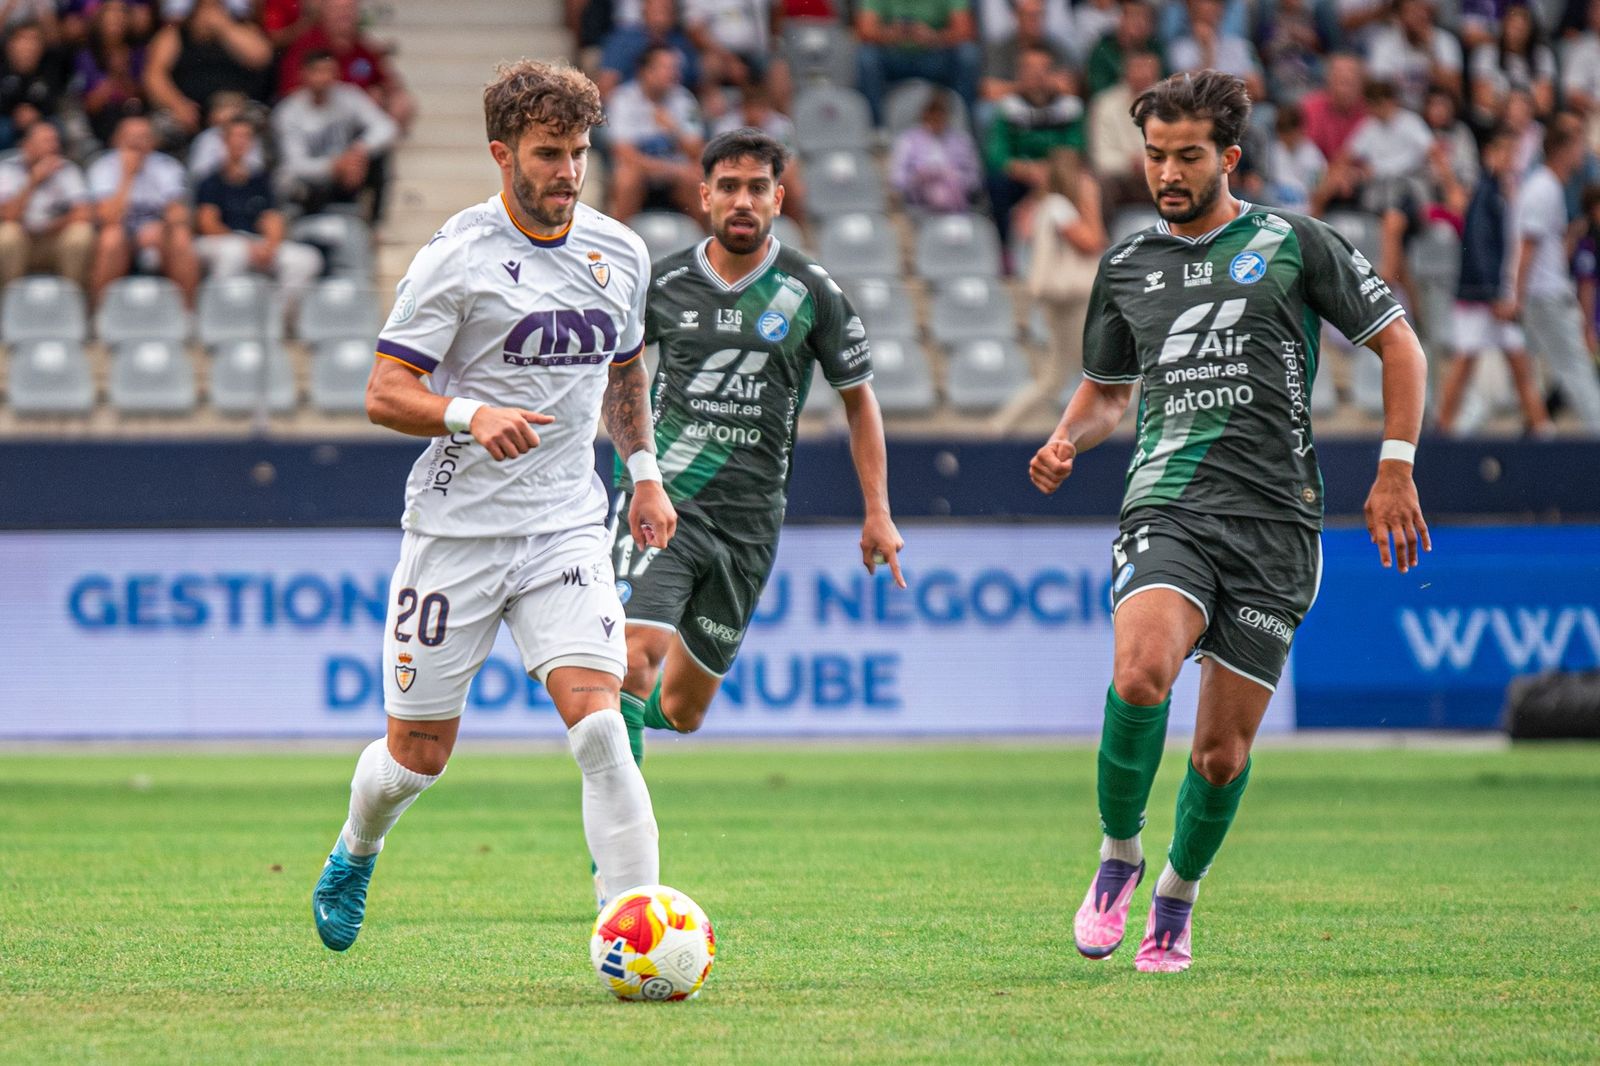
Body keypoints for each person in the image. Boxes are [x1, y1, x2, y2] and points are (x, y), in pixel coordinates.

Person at [1029, 70, 1429, 973]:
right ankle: (1119, 857)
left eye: (1187, 156)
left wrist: (1395, 467)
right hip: (1168, 501)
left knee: (1218, 754)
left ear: (1229, 158)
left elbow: (1398, 342)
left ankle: (1178, 895)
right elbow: (1106, 392)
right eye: (1155, 155)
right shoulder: (1127, 264)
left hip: (1277, 525)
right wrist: (1066, 438)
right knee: (1140, 674)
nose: (1167, 173)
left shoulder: (1293, 242)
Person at [311, 60, 678, 953]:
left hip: (563, 524)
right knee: (415, 759)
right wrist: (472, 415)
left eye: (579, 153)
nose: (567, 172)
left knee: (600, 723)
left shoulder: (619, 252)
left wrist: (644, 467)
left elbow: (624, 367)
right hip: (456, 534)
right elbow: (384, 393)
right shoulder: (456, 259)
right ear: (501, 153)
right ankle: (357, 846)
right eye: (548, 153)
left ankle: (634, 928)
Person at [600, 127, 905, 900]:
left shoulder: (812, 293)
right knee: (632, 657)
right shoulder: (661, 284)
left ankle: (612, 735)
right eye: (727, 185)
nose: (742, 200)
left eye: (757, 187)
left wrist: (878, 512)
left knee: (684, 708)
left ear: (778, 197)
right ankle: (622, 855)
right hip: (664, 502)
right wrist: (637, 474)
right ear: (703, 195)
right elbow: (622, 381)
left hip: (750, 524)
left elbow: (860, 402)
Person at [1436, 125, 1550, 436]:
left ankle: (1540, 428)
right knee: (1466, 362)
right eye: (1504, 153)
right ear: (1489, 155)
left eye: (1513, 154)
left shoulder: (1501, 192)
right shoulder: (1487, 195)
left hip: (1493, 295)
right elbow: (1480, 247)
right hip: (1483, 297)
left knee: (1517, 363)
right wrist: (1494, 295)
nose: (1510, 160)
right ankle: (1442, 429)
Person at [992, 147, 1104, 431]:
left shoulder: (1048, 205)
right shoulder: (1058, 206)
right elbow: (1092, 241)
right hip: (1070, 301)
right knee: (1100, 370)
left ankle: (1000, 427)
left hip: (1064, 301)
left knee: (1056, 377)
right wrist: (1092, 200)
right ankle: (1000, 429)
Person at [1510, 122, 1600, 432]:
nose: (1582, 154)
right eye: (1577, 147)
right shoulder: (1544, 188)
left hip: (1544, 291)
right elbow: (1527, 247)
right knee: (1576, 369)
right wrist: (1516, 297)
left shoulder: (1546, 186)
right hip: (1545, 295)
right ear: (1562, 150)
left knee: (1541, 369)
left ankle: (1535, 430)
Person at [194, 116, 323, 309]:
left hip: (256, 242)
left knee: (306, 259)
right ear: (224, 140)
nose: (241, 141)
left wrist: (269, 246)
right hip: (223, 242)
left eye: (246, 136)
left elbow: (272, 219)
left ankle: (277, 320)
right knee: (233, 252)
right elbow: (207, 223)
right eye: (236, 136)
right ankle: (223, 315)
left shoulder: (261, 181)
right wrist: (245, 243)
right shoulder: (211, 181)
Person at [272, 48, 398, 221]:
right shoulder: (289, 112)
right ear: (304, 74)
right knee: (292, 181)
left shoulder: (349, 96)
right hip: (307, 180)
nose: (324, 78)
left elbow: (386, 127)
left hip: (345, 169)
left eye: (329, 71)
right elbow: (294, 164)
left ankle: (374, 222)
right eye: (318, 72)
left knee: (378, 158)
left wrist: (358, 150)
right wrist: (334, 167)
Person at [87, 114, 200, 302]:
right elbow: (108, 218)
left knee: (180, 237)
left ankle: (188, 316)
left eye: (144, 137)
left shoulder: (167, 166)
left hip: (157, 235)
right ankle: (98, 315)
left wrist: (165, 225)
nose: (138, 144)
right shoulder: (103, 167)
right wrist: (128, 176)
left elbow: (180, 213)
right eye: (131, 138)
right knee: (111, 238)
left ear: (153, 141)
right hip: (122, 237)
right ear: (117, 140)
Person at [277, 0, 417, 132]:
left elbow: (388, 81)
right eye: (337, 9)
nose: (344, 15)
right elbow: (291, 93)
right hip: (318, 121)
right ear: (324, 12)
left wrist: (385, 92)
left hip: (355, 125)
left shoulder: (362, 46)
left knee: (397, 101)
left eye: (349, 9)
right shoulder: (306, 45)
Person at [142, 0, 272, 141]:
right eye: (203, 8)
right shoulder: (173, 34)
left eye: (215, 7)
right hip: (186, 112)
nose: (208, 14)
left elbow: (261, 56)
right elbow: (153, 76)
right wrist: (177, 105)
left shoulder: (243, 28)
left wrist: (224, 26)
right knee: (153, 128)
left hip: (236, 108)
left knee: (256, 118)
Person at [604, 43, 705, 222]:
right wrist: (669, 169)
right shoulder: (622, 99)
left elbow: (696, 151)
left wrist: (674, 130)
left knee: (697, 179)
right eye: (665, 67)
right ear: (645, 71)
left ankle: (707, 242)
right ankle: (619, 241)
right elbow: (623, 152)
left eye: (675, 67)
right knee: (626, 179)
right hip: (641, 171)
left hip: (676, 175)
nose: (673, 73)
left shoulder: (684, 100)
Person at [853, 0, 981, 125]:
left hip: (934, 57)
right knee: (866, 56)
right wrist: (891, 34)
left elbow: (965, 30)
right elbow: (865, 30)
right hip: (894, 58)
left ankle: (965, 125)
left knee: (967, 54)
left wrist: (934, 37)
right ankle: (877, 129)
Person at [0, 120, 94, 289]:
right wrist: (33, 182)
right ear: (26, 145)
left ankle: (71, 301)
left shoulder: (67, 169)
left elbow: (84, 213)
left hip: (55, 239)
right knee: (7, 234)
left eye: (55, 140)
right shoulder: (7, 170)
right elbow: (9, 216)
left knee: (81, 233)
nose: (54, 146)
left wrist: (50, 226)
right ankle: (7, 303)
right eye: (46, 141)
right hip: (23, 239)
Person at [888, 89, 981, 212]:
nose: (937, 118)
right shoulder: (908, 140)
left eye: (941, 113)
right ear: (925, 114)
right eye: (933, 113)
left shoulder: (962, 141)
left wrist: (954, 178)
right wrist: (917, 178)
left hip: (956, 201)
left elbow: (974, 178)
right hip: (919, 203)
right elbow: (897, 178)